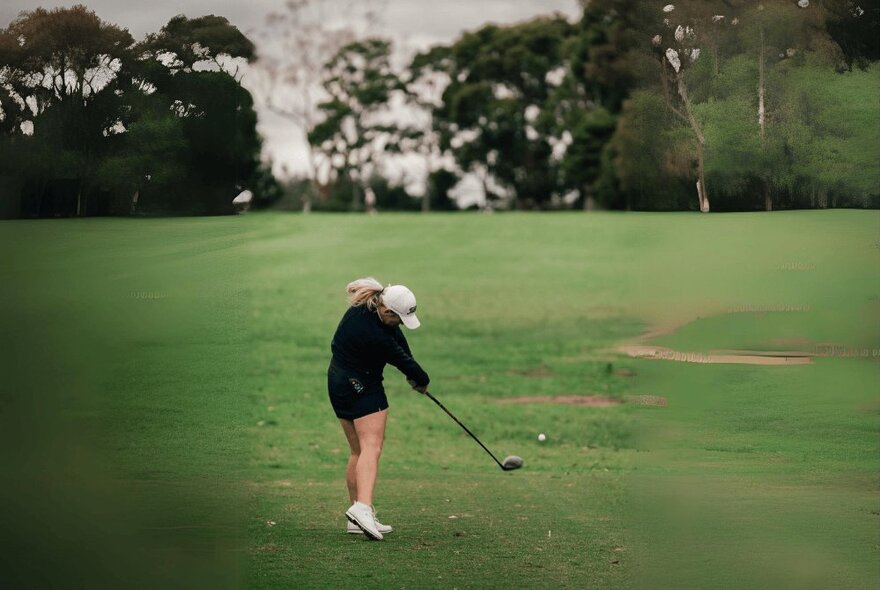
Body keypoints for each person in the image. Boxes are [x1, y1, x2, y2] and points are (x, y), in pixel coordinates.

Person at [327, 277, 430, 540]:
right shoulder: (374, 334)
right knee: (372, 446)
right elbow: (397, 354)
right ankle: (362, 507)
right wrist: (420, 378)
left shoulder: (368, 307)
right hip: (360, 385)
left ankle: (357, 514)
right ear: (387, 311)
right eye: (398, 318)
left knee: (358, 451)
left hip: (339, 381)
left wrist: (414, 374)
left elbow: (397, 336)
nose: (399, 323)